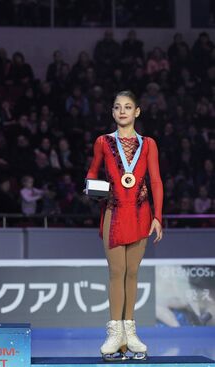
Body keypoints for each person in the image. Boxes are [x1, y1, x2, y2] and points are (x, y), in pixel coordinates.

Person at [86, 91, 163, 361]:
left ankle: (130, 332)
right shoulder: (104, 142)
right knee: (116, 272)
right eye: (117, 107)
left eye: (128, 107)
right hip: (114, 212)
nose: (122, 111)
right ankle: (113, 333)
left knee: (132, 273)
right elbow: (92, 173)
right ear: (112, 112)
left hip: (141, 213)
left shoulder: (148, 144)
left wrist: (158, 216)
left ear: (137, 112)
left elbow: (155, 181)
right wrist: (97, 192)